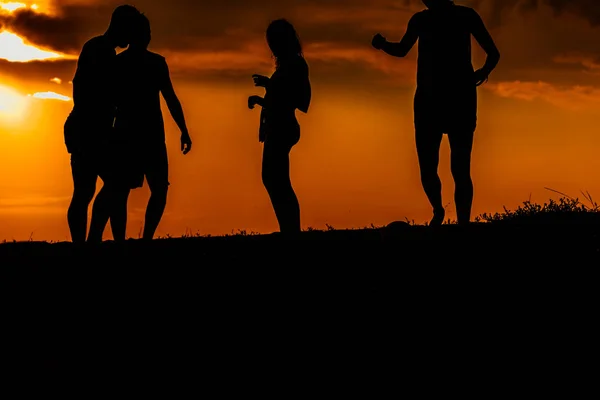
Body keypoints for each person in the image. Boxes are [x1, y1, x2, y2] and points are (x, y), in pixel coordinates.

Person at [371, 0, 500, 226]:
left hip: (442, 100)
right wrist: (480, 73)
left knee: (448, 167)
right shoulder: (447, 18)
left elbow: (401, 50)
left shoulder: (439, 18)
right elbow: (493, 54)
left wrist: (382, 44)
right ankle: (447, 214)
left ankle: (454, 218)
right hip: (448, 99)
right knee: (445, 167)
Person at [100, 12, 192, 241]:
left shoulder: (156, 63)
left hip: (147, 135)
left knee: (158, 189)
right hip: (128, 134)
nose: (148, 37)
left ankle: (145, 238)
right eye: (145, 33)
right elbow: (108, 101)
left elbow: (170, 98)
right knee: (121, 191)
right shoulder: (120, 63)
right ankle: (124, 240)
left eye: (149, 33)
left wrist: (184, 129)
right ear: (134, 35)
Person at [64, 4, 141, 244]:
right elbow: (93, 92)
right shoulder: (101, 50)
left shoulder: (98, 48)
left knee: (91, 189)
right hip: (89, 129)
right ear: (121, 27)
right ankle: (89, 241)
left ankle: (87, 243)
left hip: (89, 128)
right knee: (104, 186)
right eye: (130, 31)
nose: (130, 40)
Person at [248, 19, 311, 234]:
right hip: (277, 126)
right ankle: (288, 228)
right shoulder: (286, 65)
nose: (271, 46)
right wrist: (260, 99)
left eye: (274, 41)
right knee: (274, 179)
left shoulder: (296, 64)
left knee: (278, 180)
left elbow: (299, 100)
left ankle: (291, 230)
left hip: (283, 127)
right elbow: (280, 99)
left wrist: (270, 84)